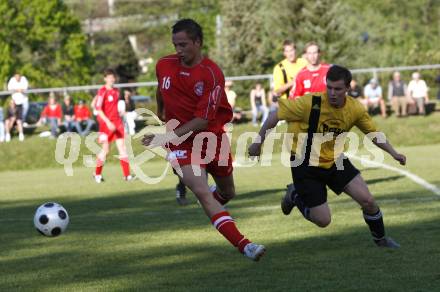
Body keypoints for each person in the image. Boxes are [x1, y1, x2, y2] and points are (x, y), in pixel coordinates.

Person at [142, 18, 265, 261]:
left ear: (198, 42)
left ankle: (213, 206)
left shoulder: (211, 73)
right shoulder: (164, 64)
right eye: (175, 44)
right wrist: (160, 112)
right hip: (180, 142)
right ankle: (244, 245)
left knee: (227, 193)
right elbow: (161, 88)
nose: (178, 50)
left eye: (184, 44)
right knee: (201, 191)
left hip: (211, 138)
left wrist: (162, 137)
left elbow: (202, 121)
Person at [248, 65, 406, 248]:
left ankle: (382, 241)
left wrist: (394, 153)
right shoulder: (310, 103)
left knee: (368, 200)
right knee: (323, 220)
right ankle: (294, 195)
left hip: (334, 159)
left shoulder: (355, 109)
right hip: (304, 162)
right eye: (329, 87)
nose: (332, 92)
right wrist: (257, 143)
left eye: (337, 89)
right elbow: (274, 116)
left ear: (348, 88)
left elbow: (374, 134)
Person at [93, 68, 133, 183]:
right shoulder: (102, 91)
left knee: (123, 148)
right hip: (106, 125)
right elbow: (98, 109)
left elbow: (114, 107)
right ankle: (97, 174)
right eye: (109, 77)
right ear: (105, 78)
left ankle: (127, 176)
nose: (111, 79)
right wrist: (108, 122)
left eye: (113, 77)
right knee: (106, 150)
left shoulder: (116, 91)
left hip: (117, 123)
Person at [7, 73, 28, 141]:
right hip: (15, 102)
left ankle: (20, 133)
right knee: (12, 119)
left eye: (18, 76)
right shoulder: (12, 80)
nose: (17, 78)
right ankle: (8, 134)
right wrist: (18, 90)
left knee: (20, 119)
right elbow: (10, 89)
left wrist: (17, 89)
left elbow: (25, 88)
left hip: (23, 101)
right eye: (16, 76)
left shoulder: (24, 79)